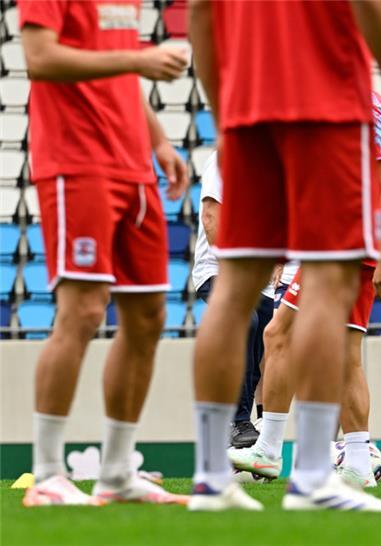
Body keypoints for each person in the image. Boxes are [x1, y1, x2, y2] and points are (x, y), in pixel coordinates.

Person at [187, 0, 381, 512]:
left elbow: (203, 13)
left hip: (250, 111)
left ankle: (211, 476)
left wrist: (221, 112)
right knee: (324, 285)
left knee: (231, 290)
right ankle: (314, 477)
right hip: (324, 110)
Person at [18, 0, 190, 506]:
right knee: (84, 310)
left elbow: (113, 67)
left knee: (148, 316)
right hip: (76, 163)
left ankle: (116, 473)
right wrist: (137, 61)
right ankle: (47, 473)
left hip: (133, 165)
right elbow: (40, 58)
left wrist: (157, 140)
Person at [228, 91, 381, 489]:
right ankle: (358, 460)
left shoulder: (364, 105)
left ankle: (269, 449)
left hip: (345, 246)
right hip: (339, 244)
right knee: (340, 354)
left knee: (279, 335)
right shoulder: (350, 103)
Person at [191, 152, 287, 448]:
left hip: (259, 278)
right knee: (245, 320)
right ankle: (237, 421)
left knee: (269, 342)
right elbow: (211, 217)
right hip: (219, 268)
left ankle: (257, 432)